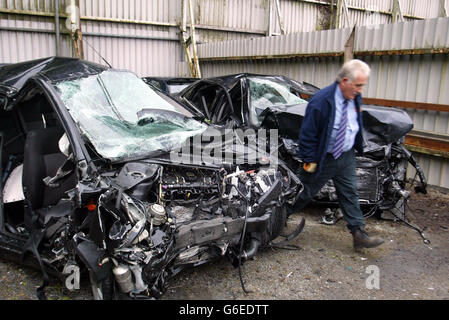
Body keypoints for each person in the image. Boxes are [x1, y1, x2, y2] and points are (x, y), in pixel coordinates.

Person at [289, 59, 384, 250]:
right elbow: (307, 135)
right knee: (304, 192)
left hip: (345, 155)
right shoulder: (321, 101)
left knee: (350, 193)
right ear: (344, 81)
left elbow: (353, 121)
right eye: (358, 85)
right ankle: (274, 219)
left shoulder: (353, 96)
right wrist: (309, 161)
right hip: (322, 158)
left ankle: (359, 234)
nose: (360, 90)